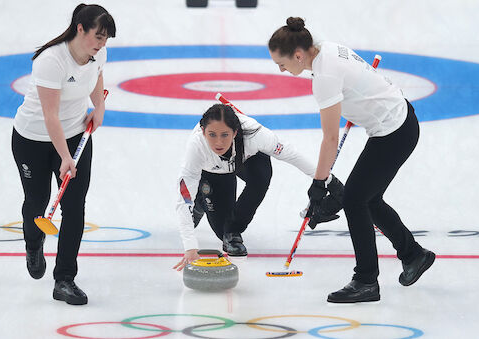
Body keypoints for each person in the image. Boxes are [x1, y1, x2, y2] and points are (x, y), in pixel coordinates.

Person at [268, 17, 435, 303]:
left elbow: (330, 140)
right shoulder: (323, 47)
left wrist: (319, 185)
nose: (281, 69)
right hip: (398, 122)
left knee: (355, 200)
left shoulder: (325, 78)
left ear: (298, 55)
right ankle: (413, 255)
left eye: (281, 63)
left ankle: (366, 281)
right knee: (368, 199)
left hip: (394, 131)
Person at [11, 4, 115, 305]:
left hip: (75, 135)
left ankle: (65, 278)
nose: (101, 44)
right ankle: (33, 243)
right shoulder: (51, 61)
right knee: (37, 201)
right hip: (33, 138)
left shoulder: (98, 53)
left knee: (74, 206)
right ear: (80, 29)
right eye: (97, 36)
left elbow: (96, 77)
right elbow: (50, 116)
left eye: (106, 38)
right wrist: (65, 157)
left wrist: (99, 108)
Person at [173, 103, 343, 271]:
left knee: (261, 176)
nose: (218, 142)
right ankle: (202, 203)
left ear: (235, 132)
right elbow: (184, 196)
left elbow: (291, 154)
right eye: (212, 134)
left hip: (246, 160)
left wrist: (329, 180)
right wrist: (190, 247)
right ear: (203, 132)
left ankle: (233, 232)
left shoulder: (256, 135)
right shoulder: (196, 146)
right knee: (219, 229)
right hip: (213, 171)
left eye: (225, 134)